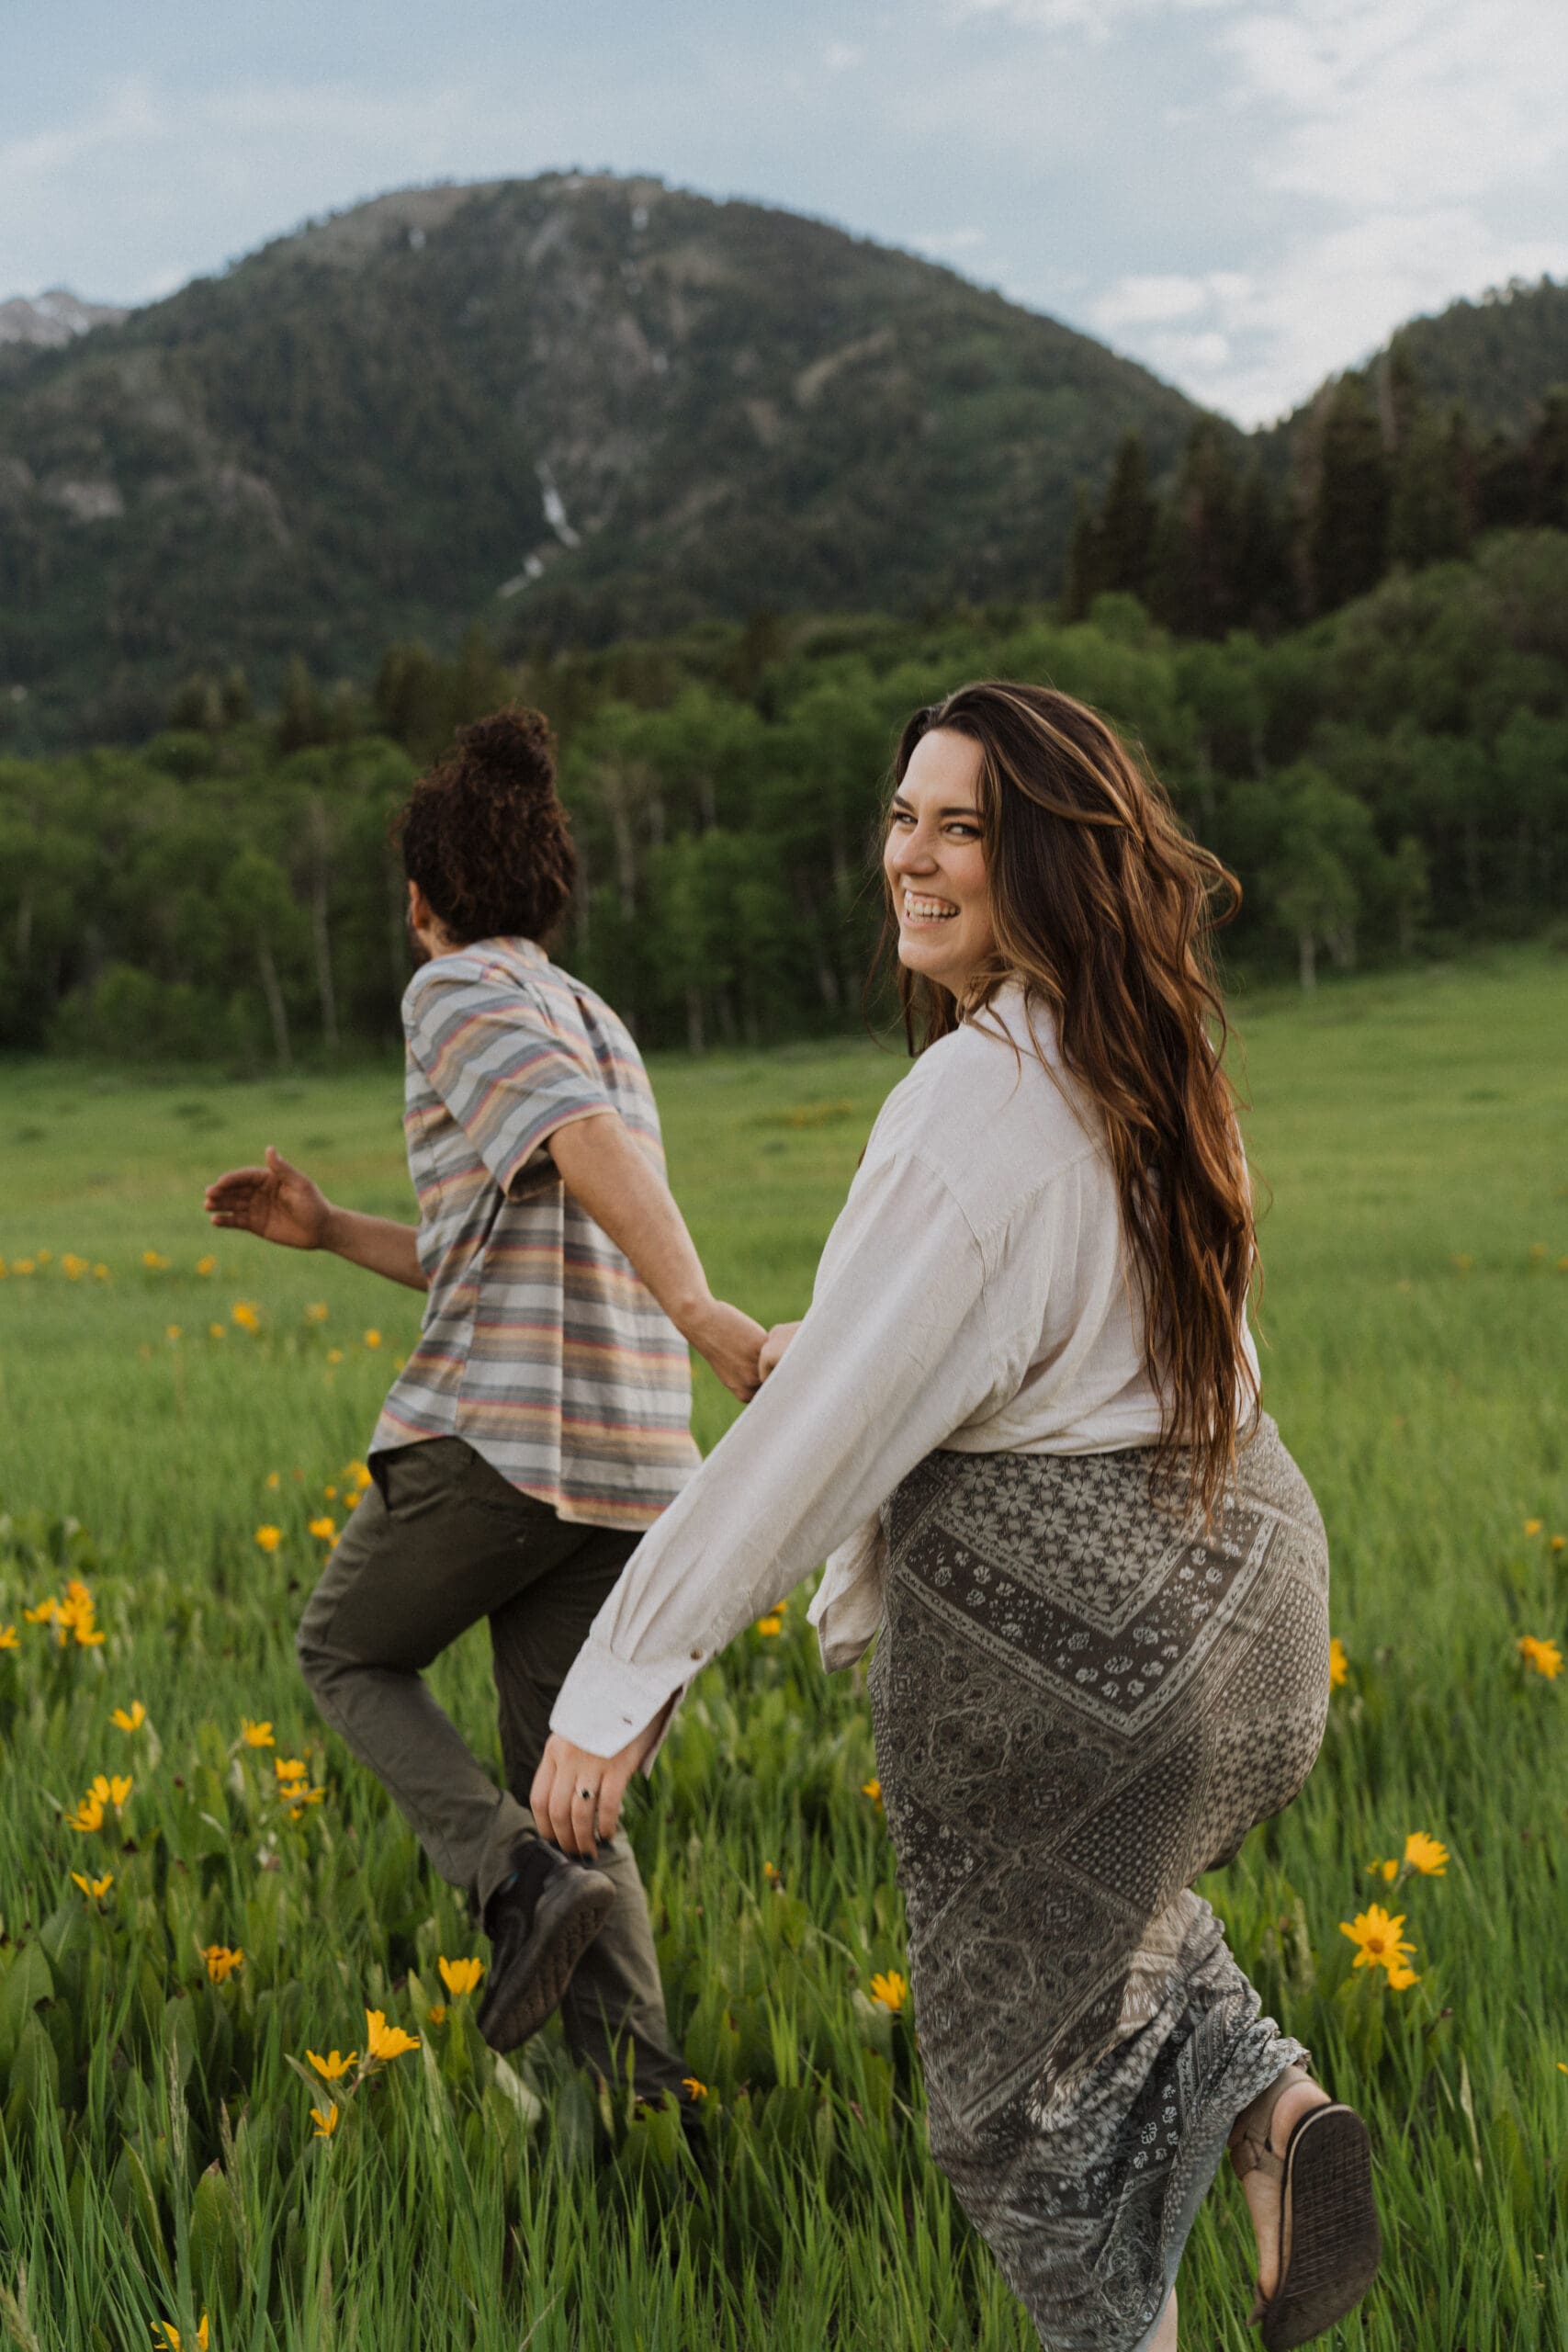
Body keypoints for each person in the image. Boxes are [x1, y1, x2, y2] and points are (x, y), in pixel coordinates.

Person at [532, 683, 1382, 2352]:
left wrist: (622, 1684)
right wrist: (829, 1350)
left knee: (1015, 2112)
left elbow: (820, 1439)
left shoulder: (970, 1108)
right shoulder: (1154, 1062)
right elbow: (1050, 1348)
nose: (909, 858)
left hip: (1070, 1654)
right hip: (1259, 1617)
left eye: (960, 828)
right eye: (901, 816)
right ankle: (1273, 2111)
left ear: (1046, 861)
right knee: (1101, 1920)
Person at [204, 707, 764, 2114]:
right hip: (632, 1474)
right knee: (572, 1794)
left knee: (341, 1652)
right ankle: (648, 2115)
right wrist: (331, 1229)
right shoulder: (599, 1020)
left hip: (506, 1452)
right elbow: (507, 1240)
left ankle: (508, 1879)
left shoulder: (450, 994)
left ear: (421, 902)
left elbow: (571, 1147)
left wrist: (706, 1312)